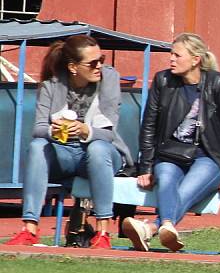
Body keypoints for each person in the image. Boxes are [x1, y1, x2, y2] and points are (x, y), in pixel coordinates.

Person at [4, 35, 133, 248]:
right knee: (37, 146)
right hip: (65, 154)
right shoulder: (51, 86)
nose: (99, 66)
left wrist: (85, 130)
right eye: (92, 63)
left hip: (102, 154)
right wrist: (55, 131)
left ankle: (102, 232)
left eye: (101, 59)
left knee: (98, 148)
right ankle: (29, 229)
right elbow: (39, 129)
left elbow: (109, 134)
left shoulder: (109, 80)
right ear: (73, 67)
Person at [122, 33, 220, 252]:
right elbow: (149, 125)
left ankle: (151, 228)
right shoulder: (163, 80)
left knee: (186, 189)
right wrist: (146, 166)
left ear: (195, 59)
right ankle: (164, 226)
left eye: (177, 55)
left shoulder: (217, 82)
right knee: (166, 178)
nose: (171, 59)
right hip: (169, 153)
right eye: (171, 54)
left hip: (208, 157)